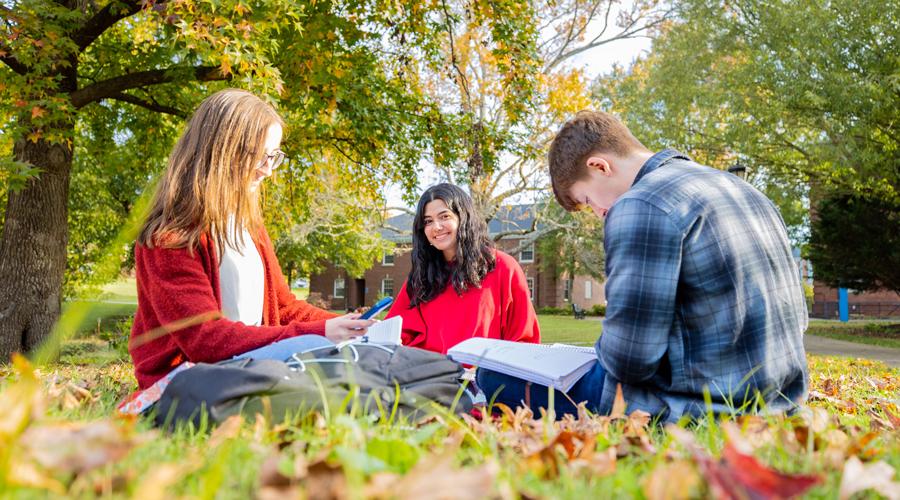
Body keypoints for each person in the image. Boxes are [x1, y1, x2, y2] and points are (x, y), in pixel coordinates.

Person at [478, 110, 808, 422]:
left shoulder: (641, 203)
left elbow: (630, 361)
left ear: (600, 166)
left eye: (589, 201)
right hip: (781, 399)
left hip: (702, 406)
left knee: (492, 374)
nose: (599, 214)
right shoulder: (745, 191)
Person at [129, 89, 373, 390]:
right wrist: (322, 332)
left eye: (273, 157)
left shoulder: (250, 228)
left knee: (352, 354)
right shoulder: (171, 237)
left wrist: (348, 325)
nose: (268, 170)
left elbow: (284, 308)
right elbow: (205, 339)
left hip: (252, 364)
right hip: (186, 381)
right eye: (260, 156)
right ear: (222, 151)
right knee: (316, 349)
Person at [384, 183, 540, 354]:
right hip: (429, 375)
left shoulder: (503, 267)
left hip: (482, 377)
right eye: (428, 221)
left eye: (444, 216)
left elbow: (524, 339)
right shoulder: (421, 275)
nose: (436, 226)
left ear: (463, 218)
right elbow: (396, 333)